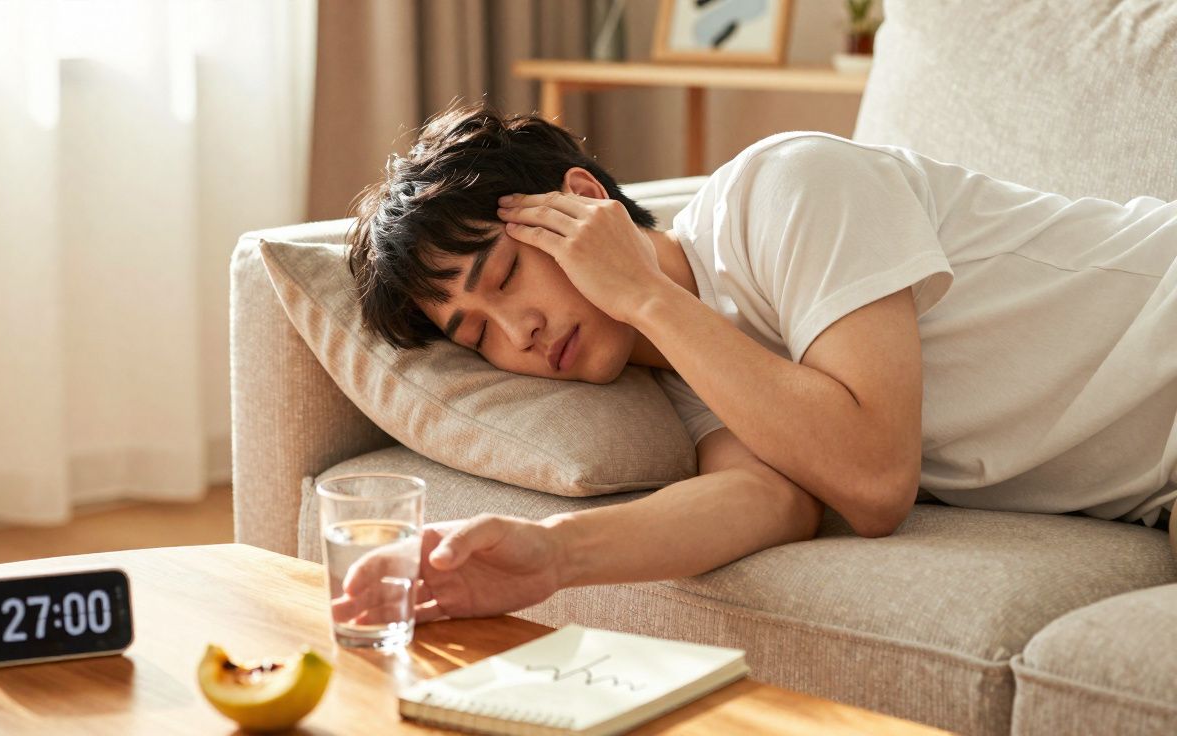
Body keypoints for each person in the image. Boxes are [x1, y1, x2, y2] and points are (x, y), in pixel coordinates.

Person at [333, 101, 1177, 625]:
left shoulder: (786, 187)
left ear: (583, 203)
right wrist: (553, 555)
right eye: (476, 336)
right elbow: (765, 498)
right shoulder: (685, 373)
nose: (513, 335)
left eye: (507, 277)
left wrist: (647, 296)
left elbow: (874, 476)